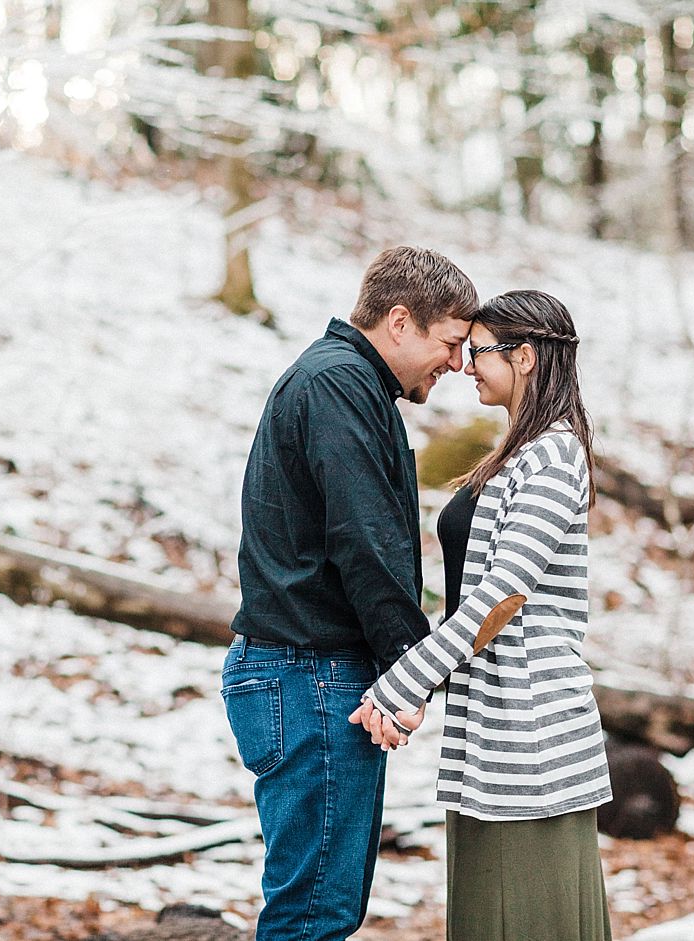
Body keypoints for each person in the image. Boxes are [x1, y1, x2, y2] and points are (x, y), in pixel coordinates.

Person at [220, 246, 477, 941]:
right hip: (307, 675)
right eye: (451, 343)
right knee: (313, 917)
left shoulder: (343, 383)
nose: (457, 364)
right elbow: (365, 539)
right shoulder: (338, 385)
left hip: (308, 675)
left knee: (322, 909)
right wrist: (409, 674)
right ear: (401, 322)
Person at [351, 290, 614, 941]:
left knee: (526, 919)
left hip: (532, 737)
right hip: (493, 728)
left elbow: (500, 597)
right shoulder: (521, 455)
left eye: (479, 352)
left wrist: (405, 684)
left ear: (523, 357)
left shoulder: (552, 457)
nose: (466, 365)